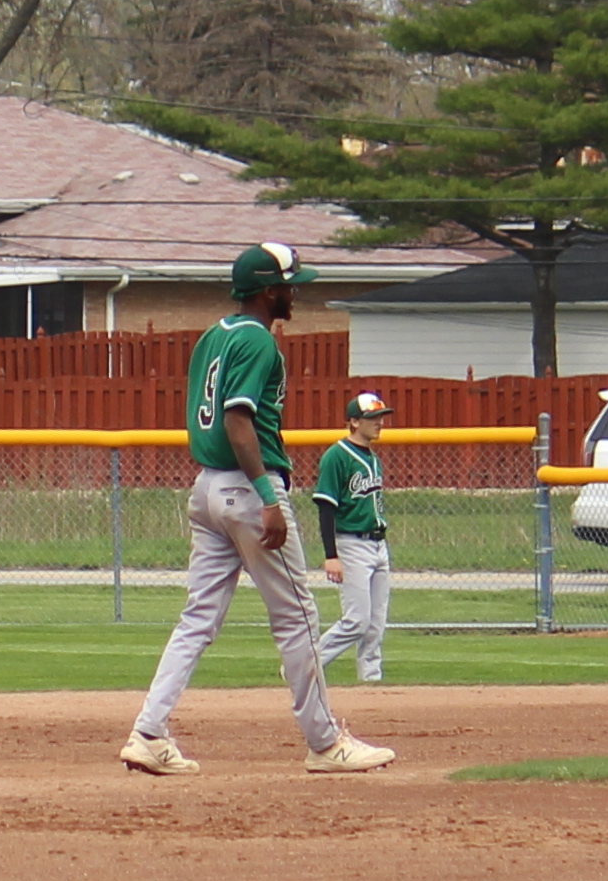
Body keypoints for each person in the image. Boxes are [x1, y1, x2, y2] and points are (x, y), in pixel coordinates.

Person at [121, 244, 403, 776]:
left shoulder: (214, 337)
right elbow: (236, 422)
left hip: (206, 487)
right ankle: (326, 743)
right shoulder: (259, 343)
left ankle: (149, 731)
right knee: (298, 618)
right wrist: (268, 499)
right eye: (289, 284)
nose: (295, 292)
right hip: (250, 491)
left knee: (197, 619)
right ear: (268, 289)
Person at [312, 390, 395, 686]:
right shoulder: (337, 456)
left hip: (377, 543)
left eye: (381, 417)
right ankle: (306, 666)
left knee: (375, 624)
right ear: (354, 422)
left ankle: (371, 683)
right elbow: (325, 506)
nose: (380, 423)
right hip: (351, 543)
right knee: (357, 620)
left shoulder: (372, 457)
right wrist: (331, 554)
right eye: (373, 418)